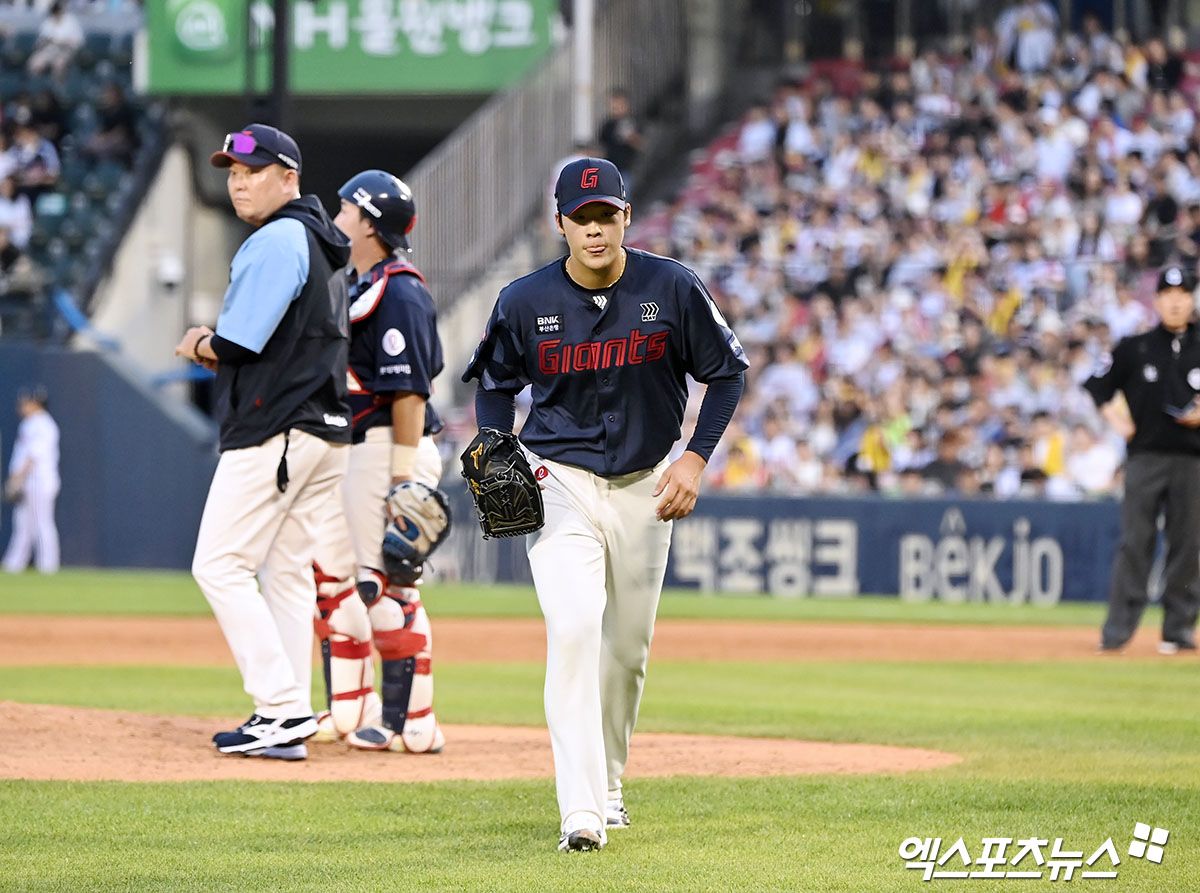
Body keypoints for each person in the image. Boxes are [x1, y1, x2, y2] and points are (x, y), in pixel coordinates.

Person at [462, 157, 748, 851]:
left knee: (626, 651)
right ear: (559, 223)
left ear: (626, 217)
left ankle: (610, 781)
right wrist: (498, 444)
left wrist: (695, 456)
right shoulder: (523, 301)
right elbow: (495, 382)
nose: (594, 229)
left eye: (605, 215)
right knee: (574, 626)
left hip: (648, 485)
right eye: (580, 217)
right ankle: (581, 811)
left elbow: (727, 373)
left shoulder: (672, 287)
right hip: (559, 482)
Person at [174, 124, 352, 760]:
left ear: (290, 177)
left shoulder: (278, 239)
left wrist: (199, 341)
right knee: (284, 570)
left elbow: (238, 342)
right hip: (324, 430)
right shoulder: (326, 242)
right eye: (232, 171)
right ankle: (288, 715)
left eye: (253, 169)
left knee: (217, 564)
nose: (239, 181)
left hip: (277, 426)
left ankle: (279, 707)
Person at [309, 169, 446, 754]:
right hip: (357, 450)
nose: (337, 219)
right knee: (334, 583)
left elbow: (410, 394)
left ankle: (412, 722)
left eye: (345, 210)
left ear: (368, 222)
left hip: (391, 448)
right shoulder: (361, 282)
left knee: (384, 589)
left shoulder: (401, 290)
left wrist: (402, 479)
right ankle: (349, 710)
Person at [1085, 265, 1200, 654]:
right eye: (1168, 295)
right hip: (1145, 458)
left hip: (1193, 460)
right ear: (1157, 300)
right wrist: (1117, 420)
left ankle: (1178, 631)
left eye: (1183, 294)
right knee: (1136, 542)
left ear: (1191, 299)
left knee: (1189, 545)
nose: (1175, 301)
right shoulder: (1135, 346)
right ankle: (1116, 633)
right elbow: (1097, 385)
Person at [3, 385, 60, 574]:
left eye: (26, 401)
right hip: (28, 481)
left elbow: (33, 456)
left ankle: (48, 566)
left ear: (36, 403)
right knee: (23, 524)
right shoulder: (29, 423)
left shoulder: (42, 424)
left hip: (39, 480)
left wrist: (16, 479)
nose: (22, 405)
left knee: (42, 523)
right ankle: (13, 565)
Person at [597, 89, 643, 197]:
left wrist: (631, 137)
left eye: (619, 104)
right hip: (608, 170)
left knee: (623, 200)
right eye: (613, 105)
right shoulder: (607, 125)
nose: (616, 108)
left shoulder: (633, 122)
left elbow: (641, 144)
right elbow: (601, 146)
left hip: (625, 169)